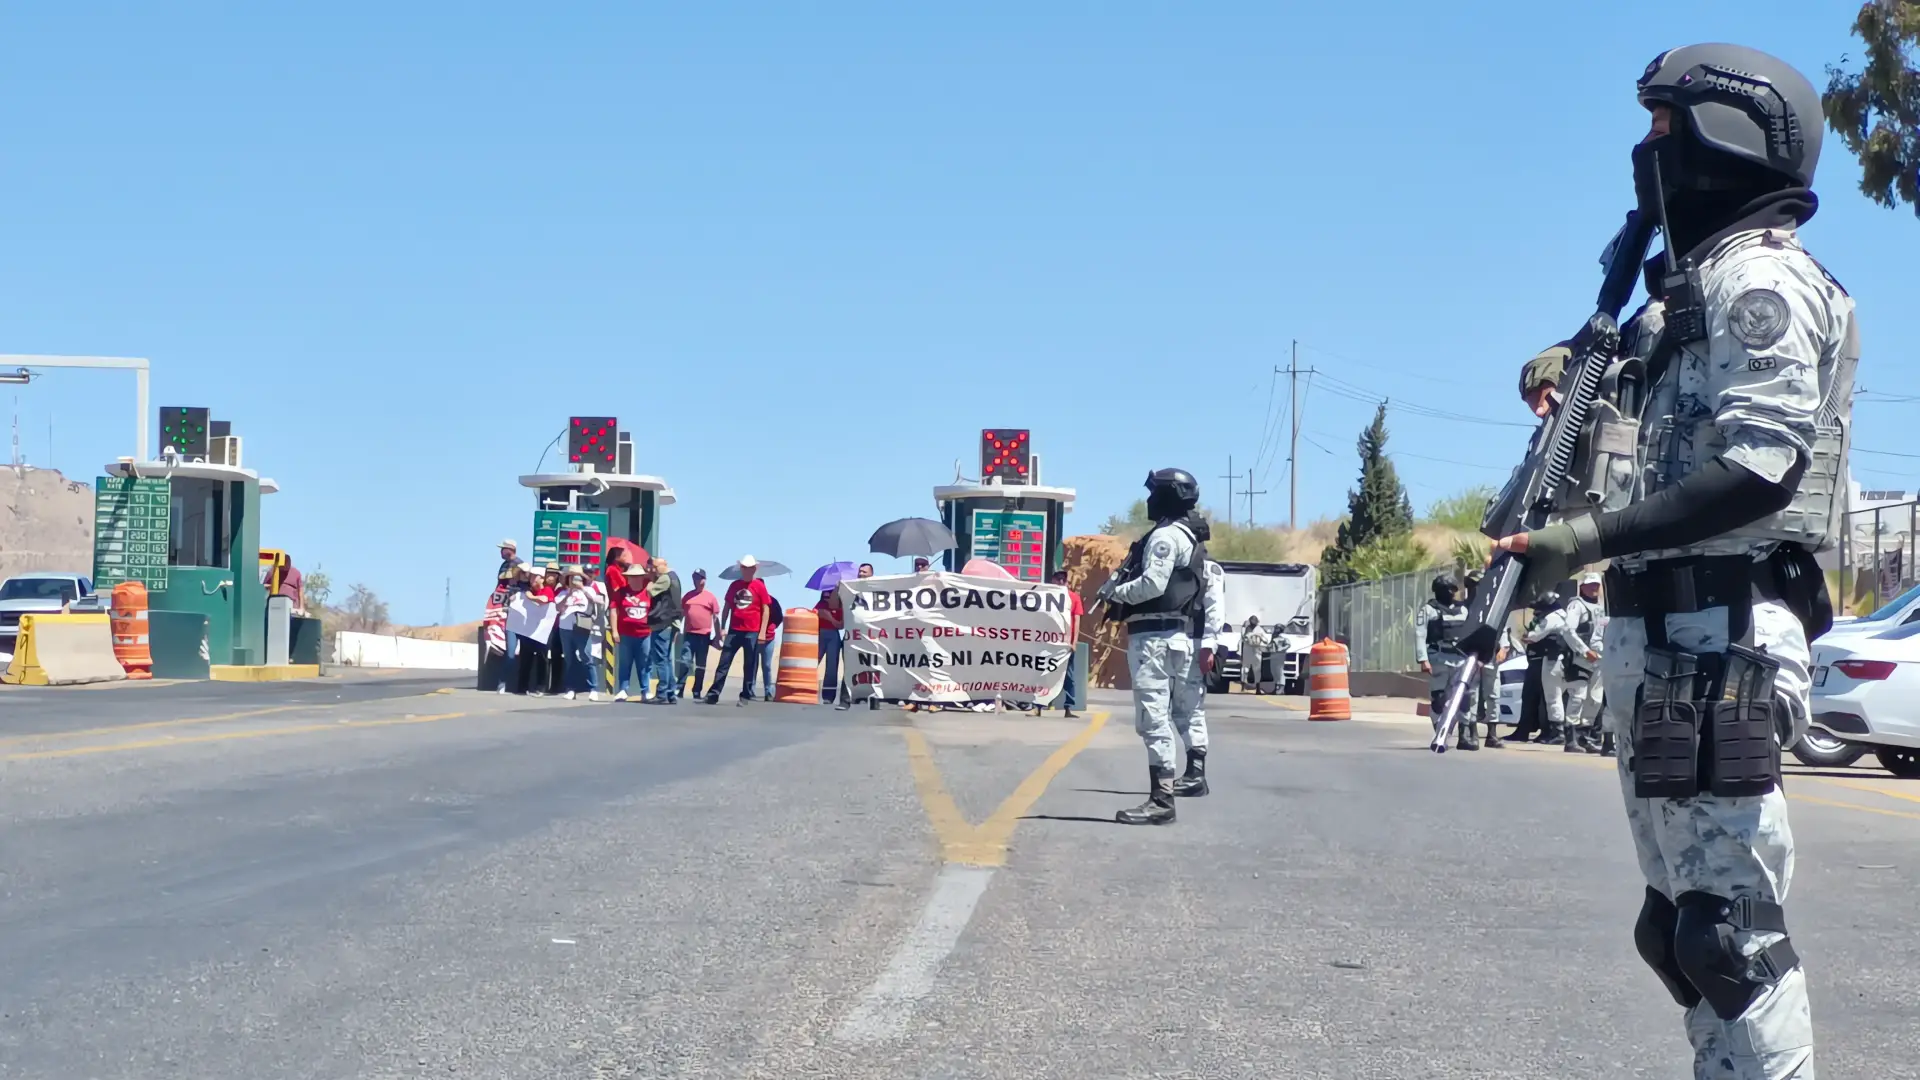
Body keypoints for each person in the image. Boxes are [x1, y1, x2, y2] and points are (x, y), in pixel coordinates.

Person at [1496, 45, 1852, 1079]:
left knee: (1729, 936)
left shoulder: (1762, 281)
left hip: (1721, 634)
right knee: (1676, 932)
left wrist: (1591, 542)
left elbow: (1758, 469)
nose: (1646, 151)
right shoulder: (1675, 292)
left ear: (1731, 136)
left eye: (1666, 127)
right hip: (1656, 638)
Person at [1096, 468, 1222, 825]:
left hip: (1154, 639)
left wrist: (1115, 593)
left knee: (1153, 719)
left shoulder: (1165, 536)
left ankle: (1161, 800)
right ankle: (1169, 789)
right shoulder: (1189, 538)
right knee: (1178, 713)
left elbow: (1153, 584)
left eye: (1155, 493)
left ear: (1167, 497)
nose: (1150, 500)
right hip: (1175, 637)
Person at [1524, 589, 1597, 752]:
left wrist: (1534, 623)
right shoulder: (1567, 615)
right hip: (1574, 661)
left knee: (1553, 697)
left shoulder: (1550, 617)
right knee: (1576, 697)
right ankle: (1572, 736)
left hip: (1553, 661)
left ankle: (1558, 734)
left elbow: (1531, 636)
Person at [1416, 573, 1477, 751]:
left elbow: (1472, 632)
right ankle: (1440, 730)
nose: (1452, 593)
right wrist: (1423, 659)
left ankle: (1464, 735)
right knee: (1439, 699)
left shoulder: (1463, 610)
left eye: (1453, 590)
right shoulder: (1429, 610)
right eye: (1449, 590)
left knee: (1464, 697)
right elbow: (1420, 634)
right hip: (1439, 658)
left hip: (1461, 659)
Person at [704, 555, 772, 705]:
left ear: (755, 569)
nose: (747, 571)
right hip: (734, 630)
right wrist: (722, 627)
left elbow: (766, 609)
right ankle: (714, 693)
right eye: (745, 568)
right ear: (741, 569)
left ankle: (745, 695)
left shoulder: (759, 586)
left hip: (752, 631)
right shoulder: (734, 586)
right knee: (724, 662)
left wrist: (762, 632)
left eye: (750, 568)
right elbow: (727, 607)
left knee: (749, 664)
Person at [1462, 568, 1507, 749]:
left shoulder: (1494, 604)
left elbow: (1502, 626)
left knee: (1493, 695)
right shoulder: (1463, 608)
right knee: (1472, 695)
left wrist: (1504, 647)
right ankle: (1471, 732)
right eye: (1474, 585)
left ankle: (1492, 734)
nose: (1477, 588)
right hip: (1471, 656)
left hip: (1491, 655)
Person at [607, 548, 652, 702]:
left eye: (638, 577)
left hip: (645, 634)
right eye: (632, 577)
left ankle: (645, 691)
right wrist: (614, 631)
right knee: (625, 663)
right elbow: (613, 610)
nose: (635, 580)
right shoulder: (621, 592)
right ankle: (622, 690)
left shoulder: (648, 592)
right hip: (625, 633)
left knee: (644, 663)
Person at [555, 567, 600, 701]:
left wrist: (581, 589)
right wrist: (569, 594)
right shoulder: (562, 593)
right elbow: (558, 608)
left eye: (578, 577)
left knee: (586, 657)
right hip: (565, 627)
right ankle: (570, 688)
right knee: (569, 658)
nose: (575, 580)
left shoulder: (589, 590)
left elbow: (595, 601)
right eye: (572, 577)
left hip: (582, 627)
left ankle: (593, 688)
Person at [645, 558, 684, 703]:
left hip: (662, 622)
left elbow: (650, 592)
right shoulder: (675, 578)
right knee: (667, 659)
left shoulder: (665, 579)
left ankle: (662, 692)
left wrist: (650, 582)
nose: (653, 570)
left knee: (661, 660)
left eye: (655, 567)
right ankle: (670, 693)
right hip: (671, 622)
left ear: (664, 565)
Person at [1046, 569, 1082, 718]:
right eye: (1057, 580)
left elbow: (1077, 620)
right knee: (1046, 672)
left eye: (1062, 580)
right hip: (1050, 641)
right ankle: (1042, 704)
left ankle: (1068, 707)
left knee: (1069, 676)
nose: (1060, 583)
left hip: (1066, 643)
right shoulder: (1046, 596)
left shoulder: (1073, 598)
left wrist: (1074, 641)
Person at [679, 569, 720, 699]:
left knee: (700, 665)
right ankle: (679, 688)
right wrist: (676, 630)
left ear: (704, 580)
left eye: (700, 578)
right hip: (689, 635)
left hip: (704, 636)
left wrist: (718, 636)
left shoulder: (710, 597)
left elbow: (716, 618)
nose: (697, 581)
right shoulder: (687, 596)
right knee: (685, 662)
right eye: (695, 578)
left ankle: (697, 690)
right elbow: (681, 615)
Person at [816, 585, 845, 705]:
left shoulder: (842, 602)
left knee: (832, 666)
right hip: (819, 633)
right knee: (813, 663)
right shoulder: (823, 598)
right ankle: (807, 690)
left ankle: (828, 696)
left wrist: (830, 618)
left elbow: (841, 625)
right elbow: (817, 612)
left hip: (833, 635)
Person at [757, 596, 784, 699]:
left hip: (769, 638)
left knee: (767, 665)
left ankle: (768, 691)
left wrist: (772, 627)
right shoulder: (753, 600)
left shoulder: (772, 601)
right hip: (754, 636)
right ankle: (750, 690)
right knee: (752, 665)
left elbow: (779, 617)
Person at [1238, 616, 1268, 692]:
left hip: (1247, 651)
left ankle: (1243, 686)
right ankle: (1258, 688)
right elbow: (1266, 640)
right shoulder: (1260, 629)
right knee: (1257, 670)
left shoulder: (1246, 629)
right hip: (1257, 651)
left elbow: (1243, 639)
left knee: (1245, 668)